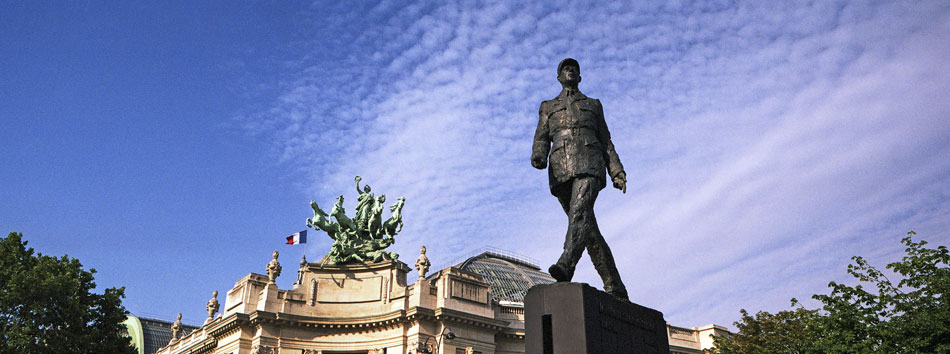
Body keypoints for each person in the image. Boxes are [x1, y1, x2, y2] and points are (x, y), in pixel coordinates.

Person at [531, 58, 629, 300]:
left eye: (574, 68)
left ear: (579, 76)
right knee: (588, 230)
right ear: (559, 77)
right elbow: (542, 136)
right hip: (560, 168)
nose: (570, 71)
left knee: (579, 213)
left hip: (589, 162)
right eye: (565, 69)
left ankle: (566, 263)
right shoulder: (548, 106)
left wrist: (616, 170)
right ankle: (615, 285)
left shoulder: (593, 105)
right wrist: (538, 154)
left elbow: (606, 140)